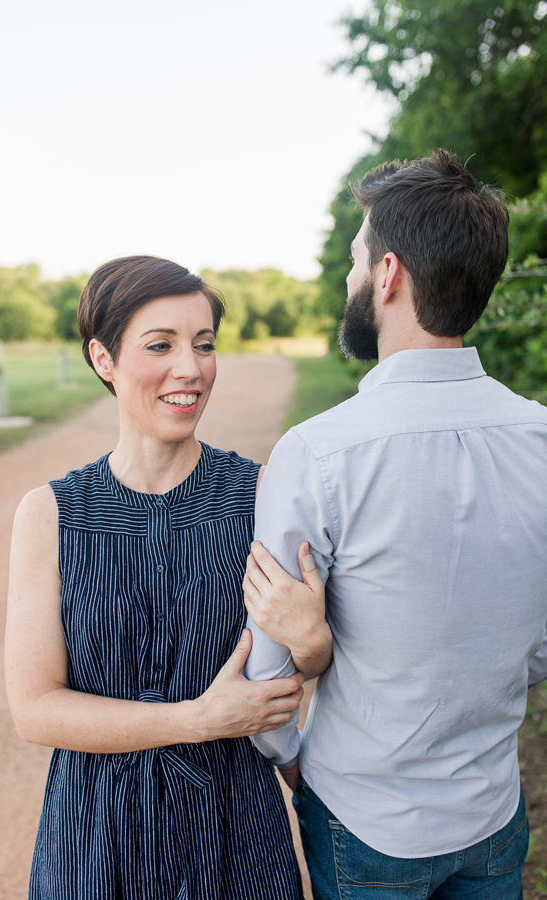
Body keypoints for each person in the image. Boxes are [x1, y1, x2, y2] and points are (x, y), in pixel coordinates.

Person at [243, 149, 547, 898]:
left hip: (366, 821)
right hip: (492, 815)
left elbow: (266, 676)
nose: (351, 279)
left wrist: (294, 760)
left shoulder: (318, 454)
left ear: (388, 275)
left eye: (356, 260)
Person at [5, 255, 308, 900]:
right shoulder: (51, 514)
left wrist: (314, 643)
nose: (190, 369)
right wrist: (197, 719)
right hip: (95, 838)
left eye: (204, 345)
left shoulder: (262, 495)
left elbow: (313, 657)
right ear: (104, 359)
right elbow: (35, 709)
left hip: (235, 836)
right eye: (160, 345)